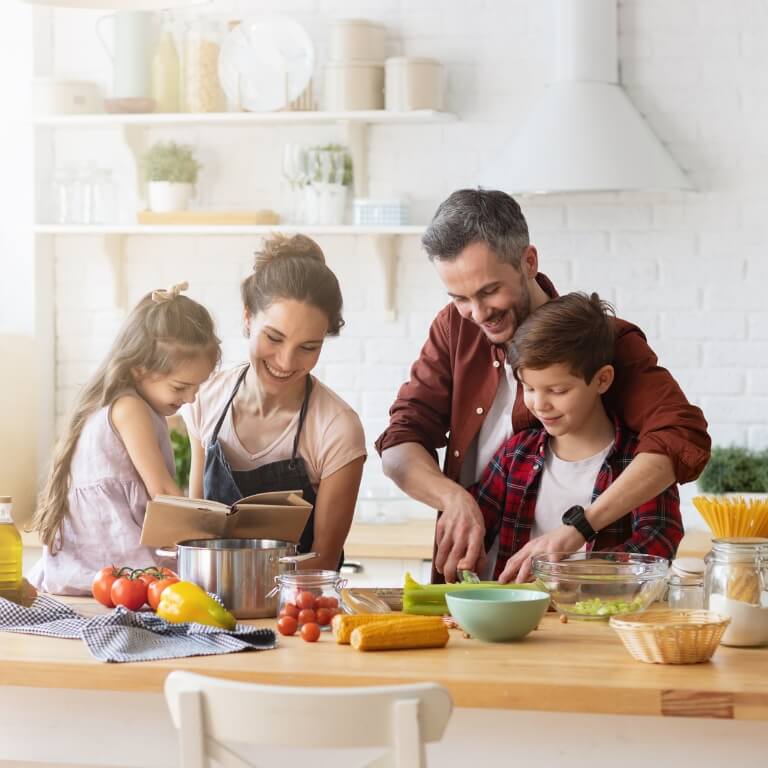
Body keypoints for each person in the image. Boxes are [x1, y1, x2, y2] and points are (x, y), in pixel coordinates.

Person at [375, 189, 710, 583]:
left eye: (488, 291)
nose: (477, 314)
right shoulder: (454, 327)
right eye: (460, 297)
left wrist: (579, 531)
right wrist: (453, 499)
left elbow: (680, 435)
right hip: (483, 589)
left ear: (528, 261)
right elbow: (399, 443)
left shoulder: (601, 341)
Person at [183, 234, 366, 571]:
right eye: (274, 338)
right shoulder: (205, 399)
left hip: (298, 610)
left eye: (308, 347)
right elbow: (196, 532)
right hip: (209, 604)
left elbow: (324, 561)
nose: (286, 361)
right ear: (248, 317)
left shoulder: (337, 427)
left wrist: (250, 589)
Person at [474, 292, 684, 583]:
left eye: (558, 391)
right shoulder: (515, 454)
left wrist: (575, 574)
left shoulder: (639, 462)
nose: (539, 404)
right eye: (529, 388)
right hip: (517, 618)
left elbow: (659, 541)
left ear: (602, 380)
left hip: (601, 619)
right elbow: (477, 525)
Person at [29, 282, 220, 594]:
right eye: (180, 386)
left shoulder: (127, 403)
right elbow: (161, 491)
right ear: (139, 370)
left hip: (96, 562)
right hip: (112, 561)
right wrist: (205, 537)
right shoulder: (130, 408)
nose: (191, 397)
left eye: (198, 387)